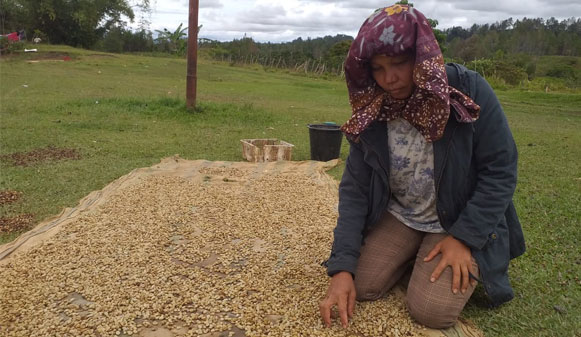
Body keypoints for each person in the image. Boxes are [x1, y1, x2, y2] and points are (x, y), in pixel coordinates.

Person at [319, 4, 526, 330]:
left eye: (400, 63)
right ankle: (412, 252)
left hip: (456, 219)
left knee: (431, 310)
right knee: (364, 284)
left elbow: (500, 169)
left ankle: (448, 254)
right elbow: (355, 190)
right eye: (378, 68)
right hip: (404, 214)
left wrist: (465, 238)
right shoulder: (372, 107)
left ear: (422, 53)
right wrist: (341, 268)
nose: (389, 79)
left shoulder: (467, 91)